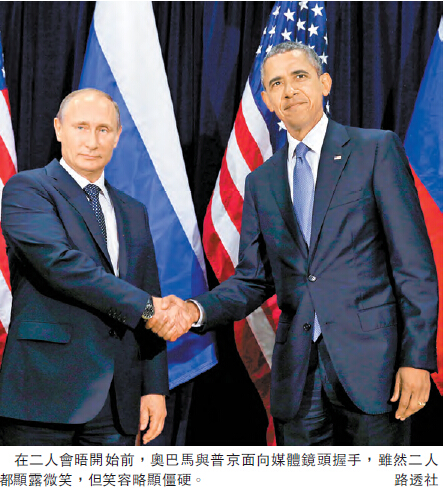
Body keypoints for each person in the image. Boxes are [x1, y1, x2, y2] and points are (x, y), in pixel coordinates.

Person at [154, 42, 438, 446]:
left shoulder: (375, 150)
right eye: (276, 84)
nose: (289, 91)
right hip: (298, 378)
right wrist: (194, 310)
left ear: (325, 83)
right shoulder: (261, 182)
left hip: (374, 369)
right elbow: (253, 279)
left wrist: (417, 359)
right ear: (269, 101)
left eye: (299, 77)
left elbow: (413, 265)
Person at [0, 88, 191, 446]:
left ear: (117, 137)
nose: (92, 141)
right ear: (59, 129)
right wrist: (151, 307)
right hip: (44, 395)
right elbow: (61, 265)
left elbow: (148, 288)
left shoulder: (133, 210)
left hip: (118, 402)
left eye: (103, 129)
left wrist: (153, 386)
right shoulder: (27, 189)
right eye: (81, 127)